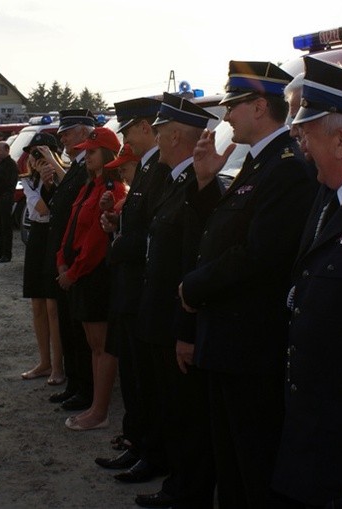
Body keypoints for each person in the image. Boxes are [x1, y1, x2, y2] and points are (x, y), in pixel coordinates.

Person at [178, 61, 315, 508]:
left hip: (253, 349)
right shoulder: (259, 165)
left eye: (233, 106)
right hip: (229, 344)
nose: (226, 117)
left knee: (254, 469)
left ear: (260, 107)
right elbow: (226, 232)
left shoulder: (287, 169)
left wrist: (193, 287)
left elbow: (259, 255)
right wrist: (204, 181)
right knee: (232, 465)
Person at [271, 57, 342, 509]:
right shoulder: (335, 197)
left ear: (340, 140)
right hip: (315, 445)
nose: (299, 144)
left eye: (306, 134)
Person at [129, 93, 218, 508]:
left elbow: (190, 259)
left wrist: (184, 325)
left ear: (176, 135)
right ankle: (174, 479)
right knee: (168, 406)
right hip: (158, 315)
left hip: (174, 317)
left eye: (161, 131)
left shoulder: (197, 186)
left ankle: (186, 490)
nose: (156, 138)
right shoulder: (176, 182)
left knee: (185, 414)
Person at [95, 98, 171, 480]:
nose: (125, 137)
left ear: (144, 126)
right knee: (136, 380)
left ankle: (150, 453)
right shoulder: (145, 168)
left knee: (147, 384)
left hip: (143, 289)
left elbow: (153, 236)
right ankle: (137, 444)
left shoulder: (160, 168)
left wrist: (120, 240)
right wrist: (115, 226)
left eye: (128, 129)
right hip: (130, 288)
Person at [57, 126, 125, 431]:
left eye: (93, 152)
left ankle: (99, 411)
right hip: (80, 275)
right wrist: (62, 261)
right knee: (92, 343)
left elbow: (97, 242)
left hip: (94, 276)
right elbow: (73, 228)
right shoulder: (89, 186)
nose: (87, 157)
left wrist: (72, 272)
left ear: (108, 154)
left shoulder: (111, 190)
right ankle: (94, 407)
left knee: (102, 347)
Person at [39, 109, 95, 412]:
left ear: (85, 133)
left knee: (77, 332)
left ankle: (83, 389)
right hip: (62, 257)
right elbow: (62, 208)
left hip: (75, 262)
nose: (62, 138)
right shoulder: (75, 167)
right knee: (68, 328)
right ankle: (75, 385)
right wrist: (50, 189)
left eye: (67, 133)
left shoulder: (87, 167)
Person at [19, 132, 65, 384]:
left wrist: (52, 181)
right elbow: (40, 209)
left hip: (54, 237)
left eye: (41, 152)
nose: (36, 158)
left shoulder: (64, 176)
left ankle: (58, 365)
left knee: (52, 306)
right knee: (37, 304)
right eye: (33, 153)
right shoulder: (29, 181)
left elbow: (55, 209)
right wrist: (44, 184)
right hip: (38, 238)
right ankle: (44, 362)